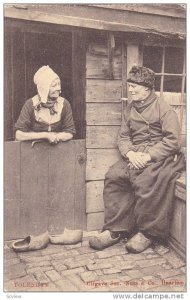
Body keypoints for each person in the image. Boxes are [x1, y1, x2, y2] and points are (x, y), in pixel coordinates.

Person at [89, 65, 185, 253]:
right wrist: (130, 154)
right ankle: (116, 229)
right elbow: (123, 137)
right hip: (135, 155)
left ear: (147, 89)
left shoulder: (164, 110)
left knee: (149, 181)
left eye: (134, 86)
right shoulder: (130, 109)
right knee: (114, 175)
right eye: (130, 85)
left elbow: (173, 140)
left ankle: (147, 233)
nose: (130, 90)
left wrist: (148, 156)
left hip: (160, 155)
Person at [15, 66, 75, 143]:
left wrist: (55, 137)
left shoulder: (64, 104)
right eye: (54, 86)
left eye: (59, 84)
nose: (58, 88)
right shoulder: (30, 104)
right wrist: (45, 135)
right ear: (44, 88)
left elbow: (70, 133)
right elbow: (19, 135)